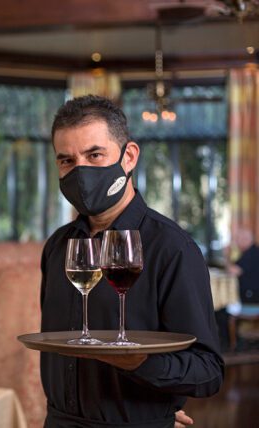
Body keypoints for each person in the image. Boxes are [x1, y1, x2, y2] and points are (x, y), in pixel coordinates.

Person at [40, 95, 224, 428]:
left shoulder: (172, 248)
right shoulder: (58, 247)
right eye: (67, 160)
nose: (80, 170)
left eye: (95, 155)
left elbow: (207, 372)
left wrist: (142, 367)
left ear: (129, 157)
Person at [227, 228, 259, 303]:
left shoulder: (251, 254)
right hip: (252, 294)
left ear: (245, 239)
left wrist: (226, 255)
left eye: (237, 239)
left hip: (252, 296)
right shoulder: (253, 251)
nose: (236, 242)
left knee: (223, 308)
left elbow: (233, 271)